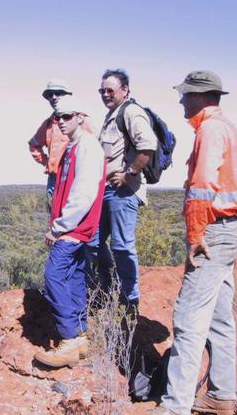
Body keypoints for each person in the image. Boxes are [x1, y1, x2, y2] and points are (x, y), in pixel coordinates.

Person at [151, 71, 237, 415]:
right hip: (230, 231)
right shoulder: (229, 128)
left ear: (200, 96)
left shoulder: (211, 131)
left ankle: (175, 408)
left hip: (213, 233)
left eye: (185, 96)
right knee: (219, 318)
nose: (181, 102)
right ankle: (221, 395)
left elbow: (201, 186)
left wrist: (197, 233)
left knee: (189, 317)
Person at [34, 96, 106, 368]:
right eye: (58, 118)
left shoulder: (88, 147)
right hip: (74, 227)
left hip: (75, 227)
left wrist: (59, 227)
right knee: (75, 277)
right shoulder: (73, 147)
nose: (61, 122)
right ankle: (81, 336)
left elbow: (84, 193)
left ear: (80, 117)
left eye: (67, 117)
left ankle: (68, 339)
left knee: (53, 276)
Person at [87, 68, 157, 312]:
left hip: (123, 191)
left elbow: (148, 146)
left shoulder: (131, 112)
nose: (105, 94)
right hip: (105, 190)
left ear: (124, 90)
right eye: (102, 90)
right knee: (92, 240)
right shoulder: (111, 115)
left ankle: (130, 299)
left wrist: (130, 174)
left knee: (122, 245)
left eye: (110, 90)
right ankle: (106, 286)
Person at [28, 79, 94, 210]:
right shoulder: (49, 123)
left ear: (67, 95)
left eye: (58, 93)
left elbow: (97, 147)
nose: (53, 97)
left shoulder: (81, 119)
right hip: (55, 179)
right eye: (50, 95)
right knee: (55, 221)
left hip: (76, 179)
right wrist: (47, 162)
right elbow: (33, 144)